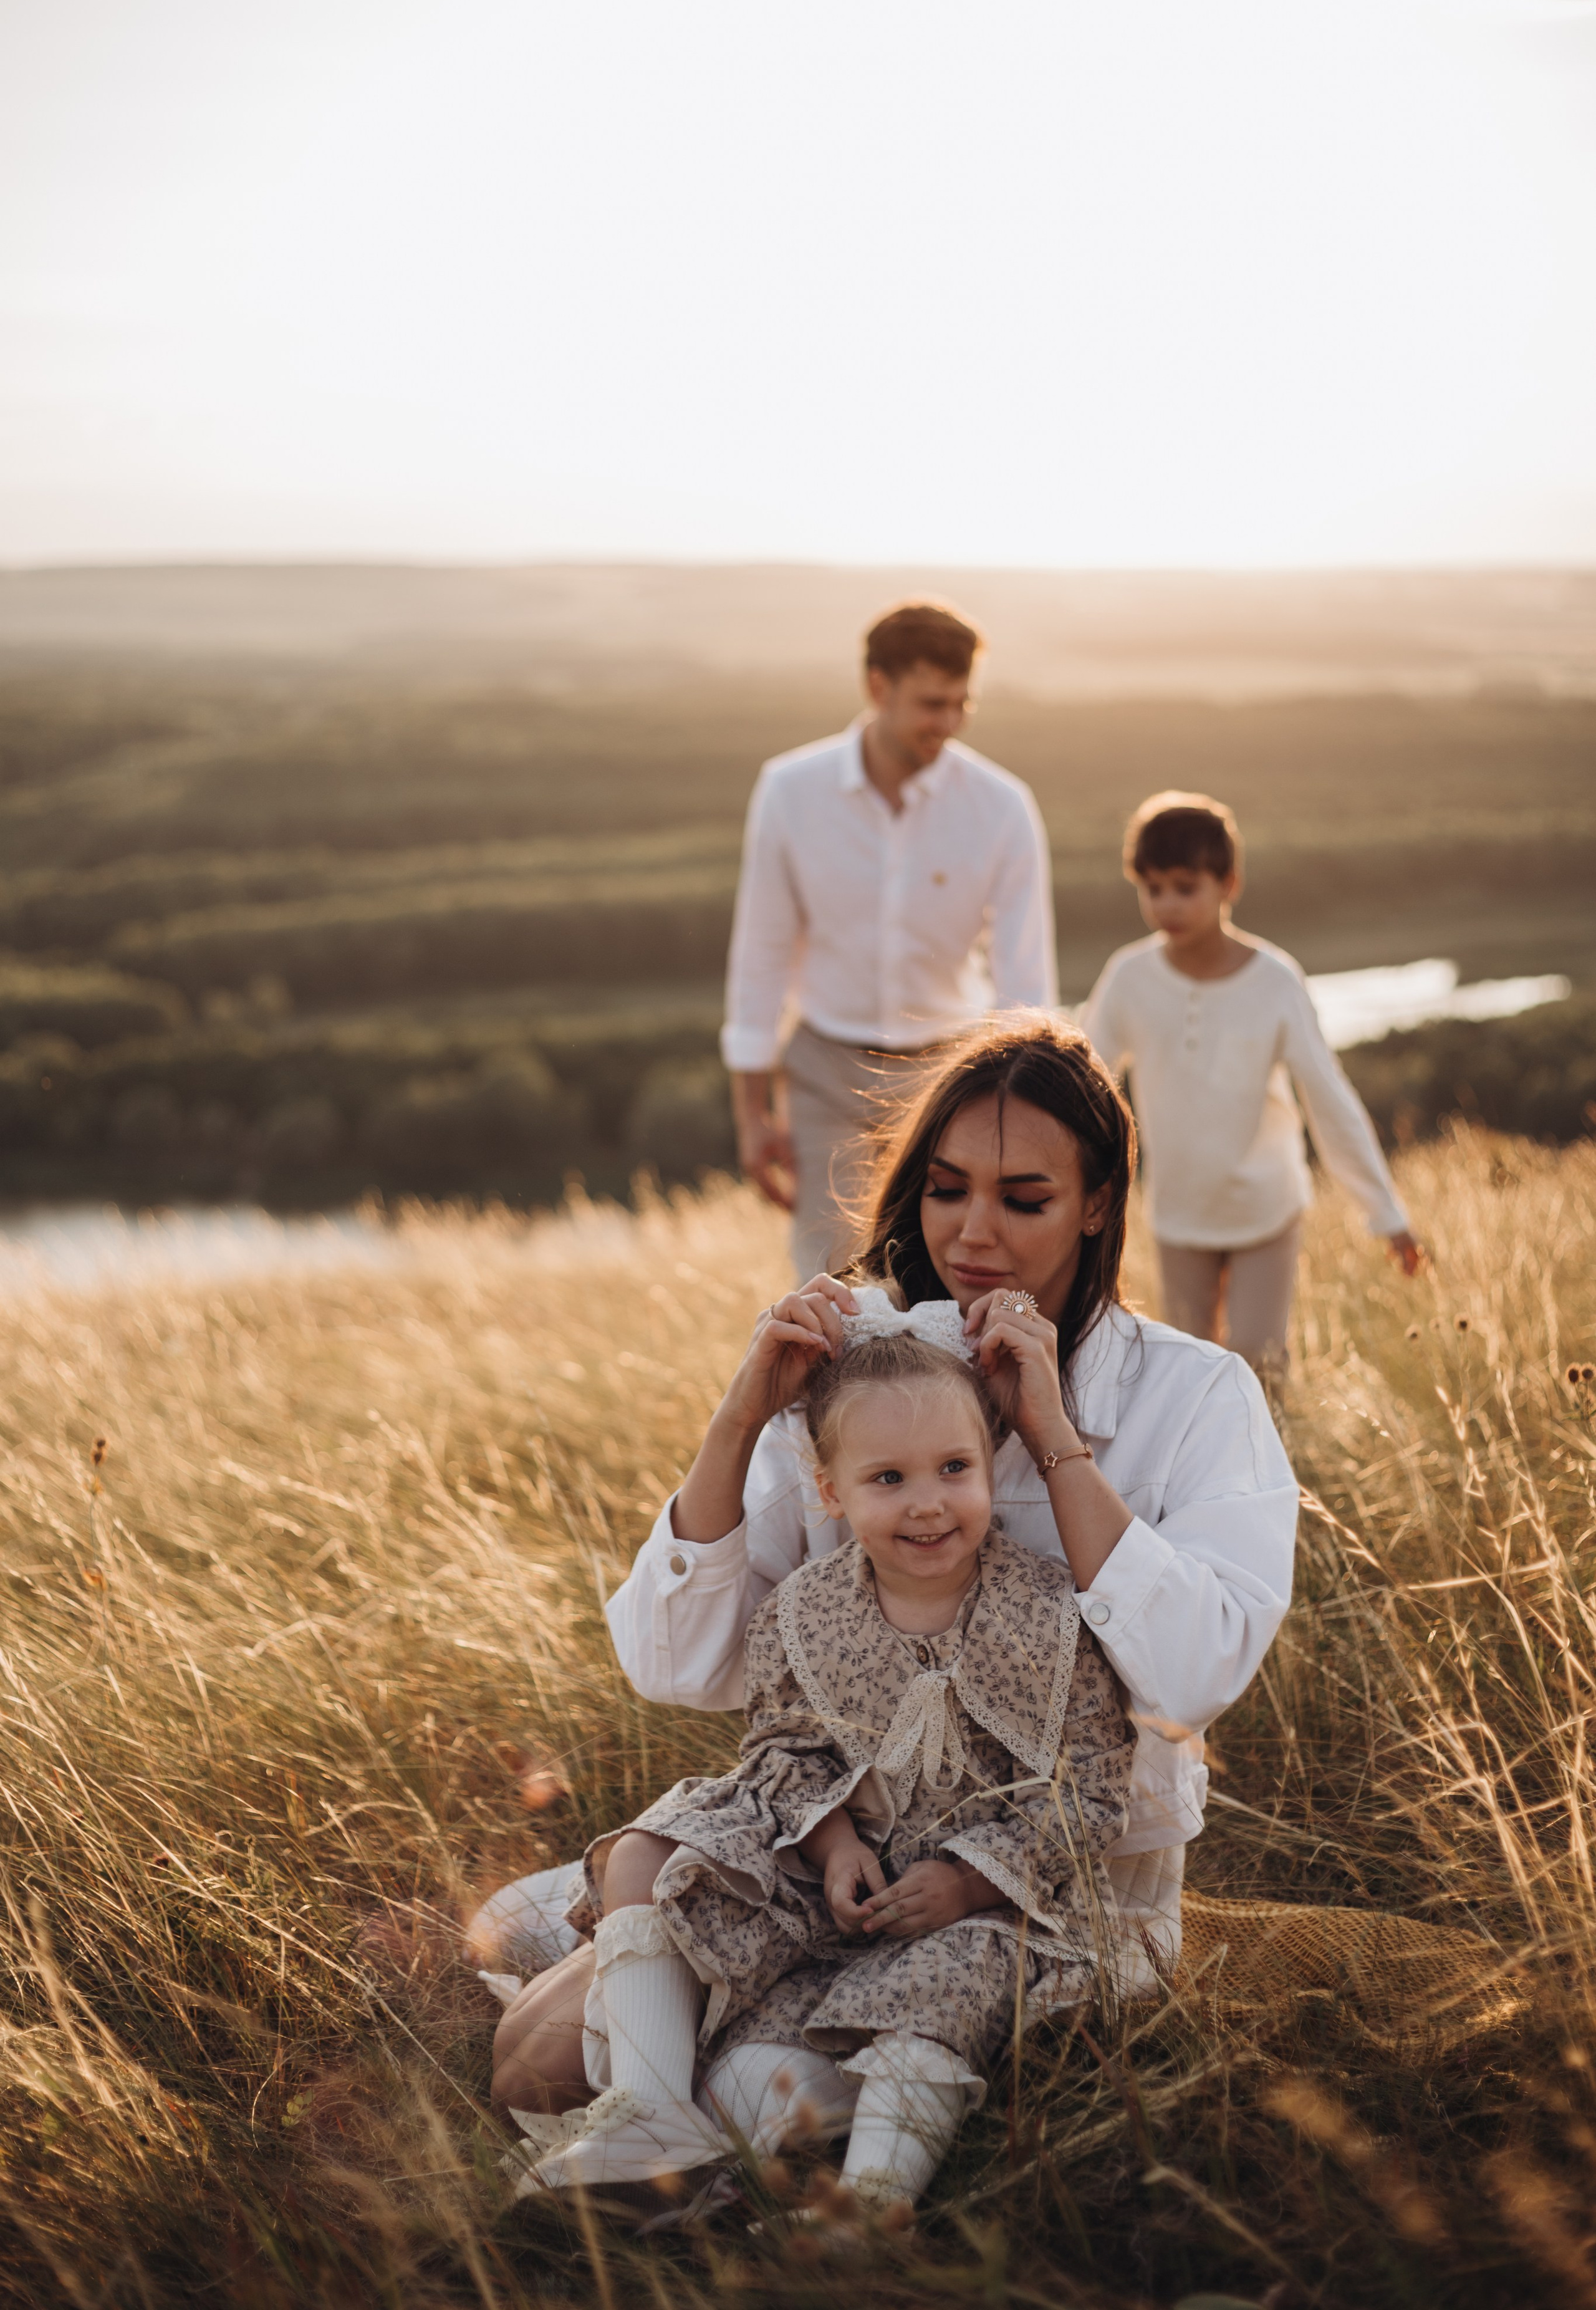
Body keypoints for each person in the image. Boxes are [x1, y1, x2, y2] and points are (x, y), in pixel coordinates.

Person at [488, 1017, 1301, 2148]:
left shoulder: (1196, 1396)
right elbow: (680, 1667)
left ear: (1100, 1204)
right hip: (829, 1866)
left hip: (1041, 1899)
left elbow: (1192, 1674)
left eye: (1025, 1199)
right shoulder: (855, 1371)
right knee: (520, 1997)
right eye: (946, 1188)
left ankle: (709, 2095)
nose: (974, 1234)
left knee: (739, 2100)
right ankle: (662, 2065)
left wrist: (1051, 1433)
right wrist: (745, 1412)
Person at [505, 1314, 1133, 2208]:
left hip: (977, 1905)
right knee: (649, 1852)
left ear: (992, 1466)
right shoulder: (804, 1611)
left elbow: (1092, 1792)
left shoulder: (1047, 1617)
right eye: (888, 1478)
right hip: (833, 1874)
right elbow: (784, 1753)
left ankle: (874, 2204)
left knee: (924, 1997)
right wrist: (835, 1845)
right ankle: (646, 2110)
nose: (927, 1503)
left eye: (954, 1469)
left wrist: (970, 1882)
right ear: (830, 1490)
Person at [722, 599, 1057, 1281]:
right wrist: (752, 1113)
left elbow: (1026, 979)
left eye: (962, 705)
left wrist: (1026, 1114)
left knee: (956, 1275)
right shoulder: (790, 792)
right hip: (824, 1071)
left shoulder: (1001, 805)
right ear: (878, 687)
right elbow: (760, 954)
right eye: (932, 704)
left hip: (952, 1072)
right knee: (831, 1279)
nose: (949, 723)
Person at [1082, 792, 1420, 1370]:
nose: (1167, 904)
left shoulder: (1275, 981)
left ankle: (1272, 1461)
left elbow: (1329, 1101)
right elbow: (1081, 1087)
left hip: (1266, 1207)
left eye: (1185, 888)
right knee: (1187, 1367)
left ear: (1228, 884)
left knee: (1259, 1362)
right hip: (1178, 1211)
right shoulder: (1128, 978)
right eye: (1152, 888)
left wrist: (1388, 1218)